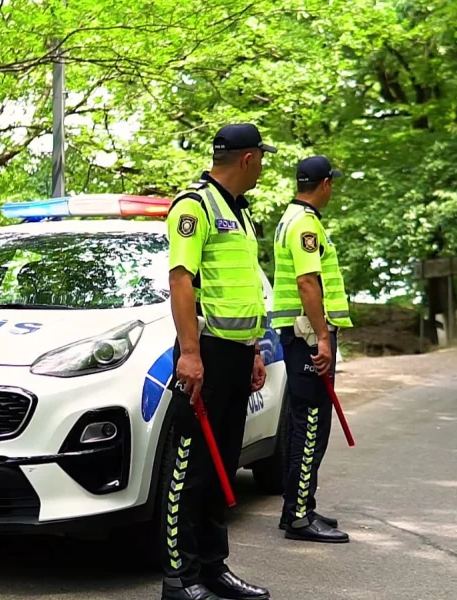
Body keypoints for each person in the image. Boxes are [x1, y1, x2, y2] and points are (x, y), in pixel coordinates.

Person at [159, 123, 276, 600]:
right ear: (248, 159)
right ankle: (178, 578)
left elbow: (241, 289)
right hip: (203, 354)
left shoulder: (242, 215)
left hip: (234, 355)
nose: (263, 166)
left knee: (222, 468)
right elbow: (181, 279)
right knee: (190, 468)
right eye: (261, 158)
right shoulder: (195, 206)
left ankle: (213, 567)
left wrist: (251, 351)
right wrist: (189, 353)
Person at [270, 155, 353, 544]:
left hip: (299, 335)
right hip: (308, 337)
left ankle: (298, 507)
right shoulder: (305, 224)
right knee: (311, 426)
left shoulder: (292, 218)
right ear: (324, 185)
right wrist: (322, 336)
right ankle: (299, 516)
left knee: (302, 422)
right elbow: (307, 282)